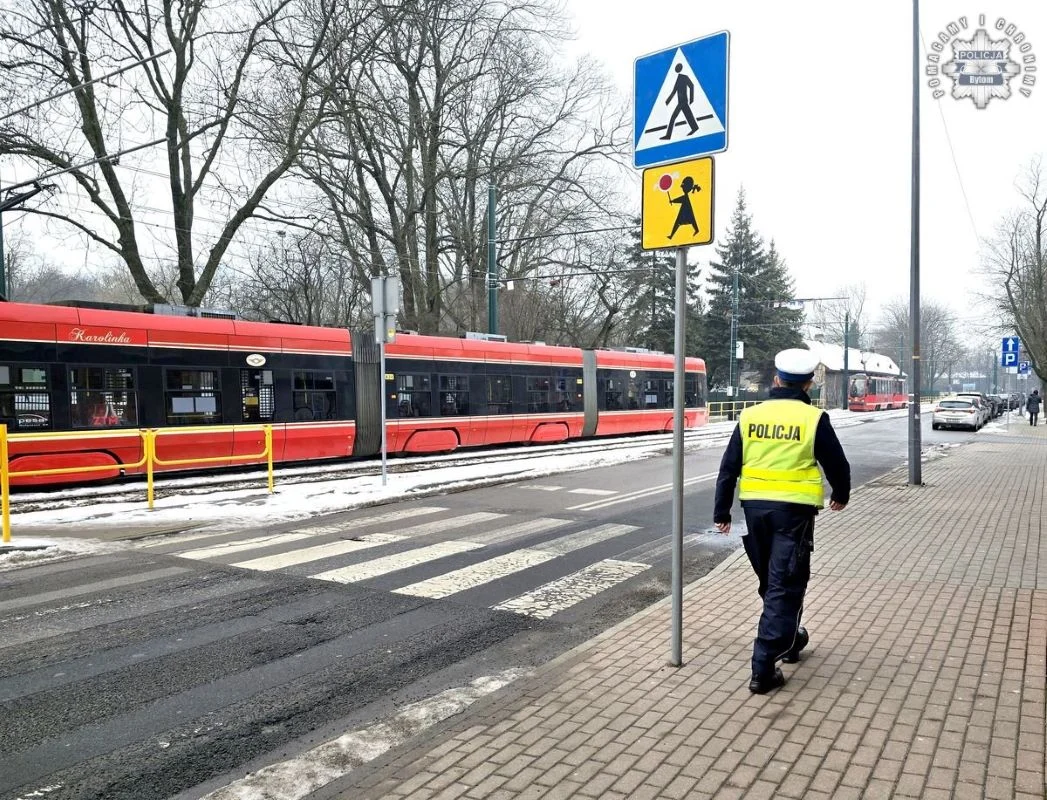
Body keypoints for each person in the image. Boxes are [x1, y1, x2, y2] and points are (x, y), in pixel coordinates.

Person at [713, 348, 851, 694]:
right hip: (794, 513)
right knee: (784, 583)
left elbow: (729, 466)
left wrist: (722, 511)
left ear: (776, 379)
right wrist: (841, 494)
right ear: (808, 384)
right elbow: (837, 463)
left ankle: (790, 638)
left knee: (775, 580)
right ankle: (763, 666)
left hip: (755, 510)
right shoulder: (813, 419)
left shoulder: (750, 416)